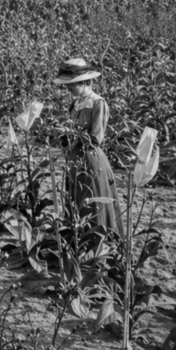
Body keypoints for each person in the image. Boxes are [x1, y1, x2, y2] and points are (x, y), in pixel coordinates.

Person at [53, 57, 124, 236]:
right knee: (76, 202)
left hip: (91, 161)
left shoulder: (98, 103)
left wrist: (71, 132)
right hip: (75, 161)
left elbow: (95, 139)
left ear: (84, 82)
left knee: (93, 203)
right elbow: (72, 137)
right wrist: (62, 134)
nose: (68, 89)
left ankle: (98, 243)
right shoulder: (76, 103)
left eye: (72, 84)